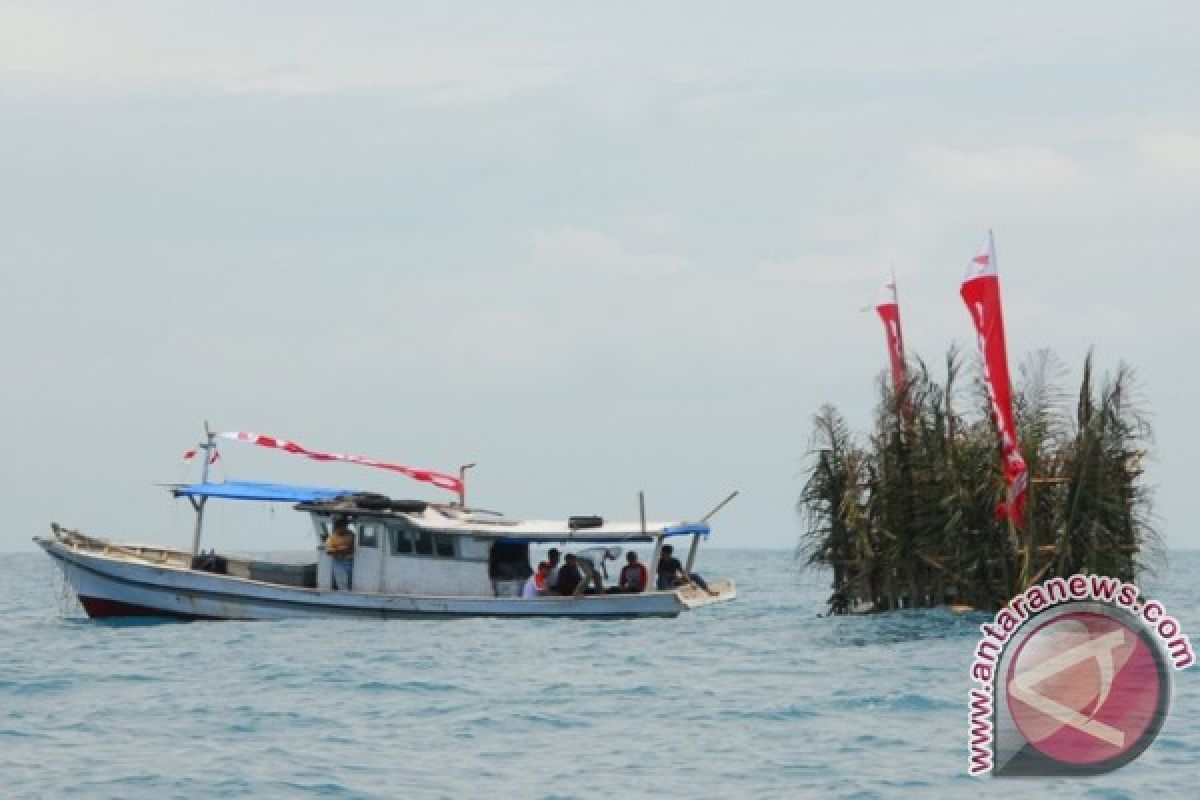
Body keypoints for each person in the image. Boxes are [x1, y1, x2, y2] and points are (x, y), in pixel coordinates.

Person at [326, 517, 355, 590]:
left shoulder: (351, 535)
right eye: (342, 526)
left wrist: (349, 549)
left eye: (345, 526)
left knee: (351, 581)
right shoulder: (332, 537)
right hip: (338, 562)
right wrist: (339, 549)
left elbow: (355, 546)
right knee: (342, 582)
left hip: (349, 561)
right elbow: (328, 551)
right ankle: (344, 595)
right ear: (337, 527)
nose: (344, 528)